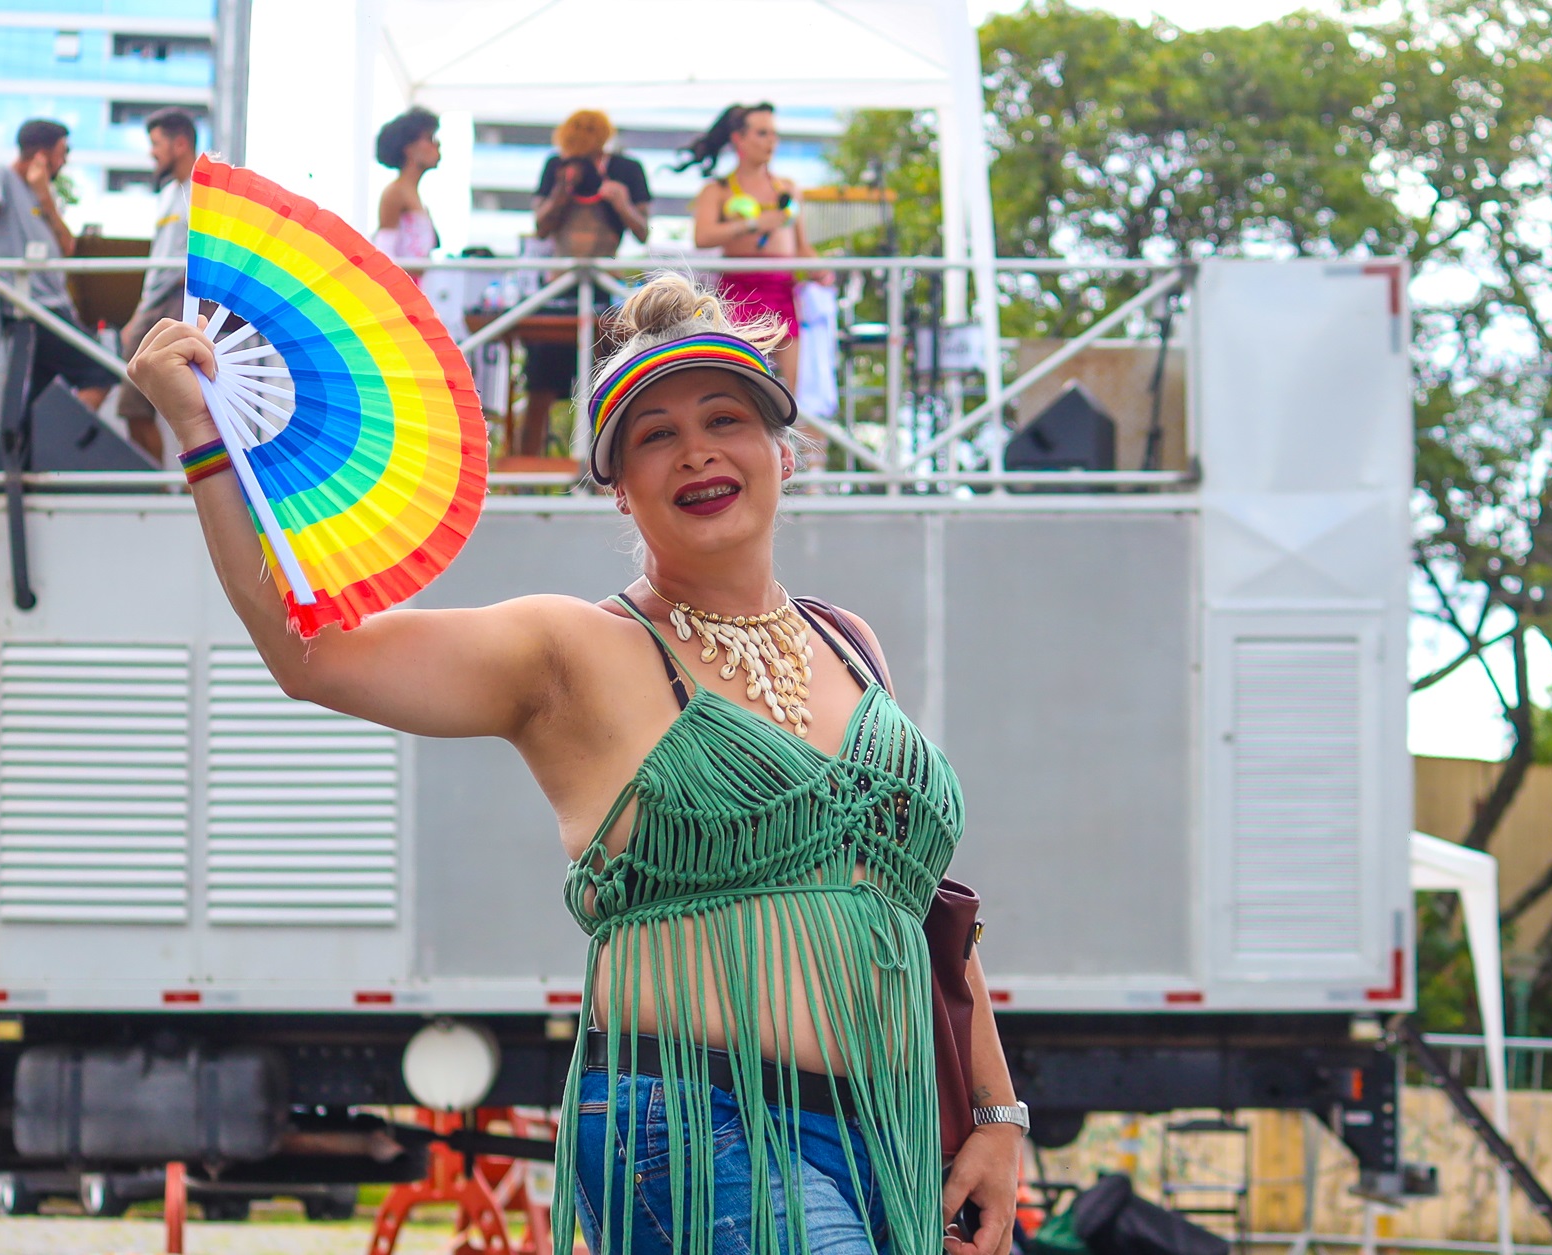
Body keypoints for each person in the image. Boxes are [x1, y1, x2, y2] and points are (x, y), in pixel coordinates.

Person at [125, 270, 1024, 1255]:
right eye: (654, 435)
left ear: (782, 450)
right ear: (621, 490)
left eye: (725, 418)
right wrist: (204, 440)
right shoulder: (569, 651)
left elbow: (921, 909)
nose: (696, 452)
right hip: (693, 1120)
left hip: (886, 1129)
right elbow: (311, 657)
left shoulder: (847, 641)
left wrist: (996, 1116)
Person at [521, 109, 652, 459]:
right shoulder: (557, 167)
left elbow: (643, 231)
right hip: (558, 285)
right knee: (540, 383)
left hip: (606, 285)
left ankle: (606, 467)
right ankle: (522, 473)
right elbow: (540, 226)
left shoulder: (626, 169)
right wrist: (564, 188)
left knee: (610, 380)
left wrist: (620, 202)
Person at [0, 118, 117, 412]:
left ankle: (38, 454)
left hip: (54, 302)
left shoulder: (44, 194)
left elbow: (68, 246)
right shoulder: (0, 174)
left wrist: (44, 196)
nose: (65, 160)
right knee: (101, 372)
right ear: (41, 153)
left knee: (38, 396)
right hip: (33, 306)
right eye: (63, 152)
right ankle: (65, 448)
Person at [680, 103, 825, 391]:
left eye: (773, 133)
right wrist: (752, 224)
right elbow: (702, 236)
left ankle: (789, 438)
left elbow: (802, 246)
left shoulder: (788, 188)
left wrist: (821, 271)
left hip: (783, 289)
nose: (771, 141)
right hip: (739, 291)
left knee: (795, 390)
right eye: (762, 133)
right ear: (739, 139)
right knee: (739, 385)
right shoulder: (717, 189)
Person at [117, 107, 200, 461]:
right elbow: (158, 260)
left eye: (156, 144)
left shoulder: (206, 191)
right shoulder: (168, 194)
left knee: (200, 407)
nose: (152, 152)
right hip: (152, 306)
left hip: (184, 303)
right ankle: (157, 487)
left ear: (180, 144)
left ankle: (194, 490)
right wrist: (137, 315)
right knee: (132, 407)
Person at [373, 107, 441, 273]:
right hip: (400, 292)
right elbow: (384, 253)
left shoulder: (412, 194)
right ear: (409, 149)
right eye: (429, 138)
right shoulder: (395, 193)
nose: (437, 144)